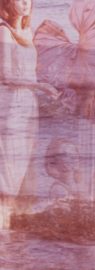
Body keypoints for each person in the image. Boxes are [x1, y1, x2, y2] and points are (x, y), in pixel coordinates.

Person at [0, 0, 59, 228]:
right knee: (8, 168)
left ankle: (9, 225)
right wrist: (40, 86)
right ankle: (3, 228)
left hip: (28, 105)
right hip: (11, 104)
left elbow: (30, 71)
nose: (26, 3)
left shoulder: (27, 32)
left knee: (23, 166)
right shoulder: (4, 32)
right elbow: (5, 77)